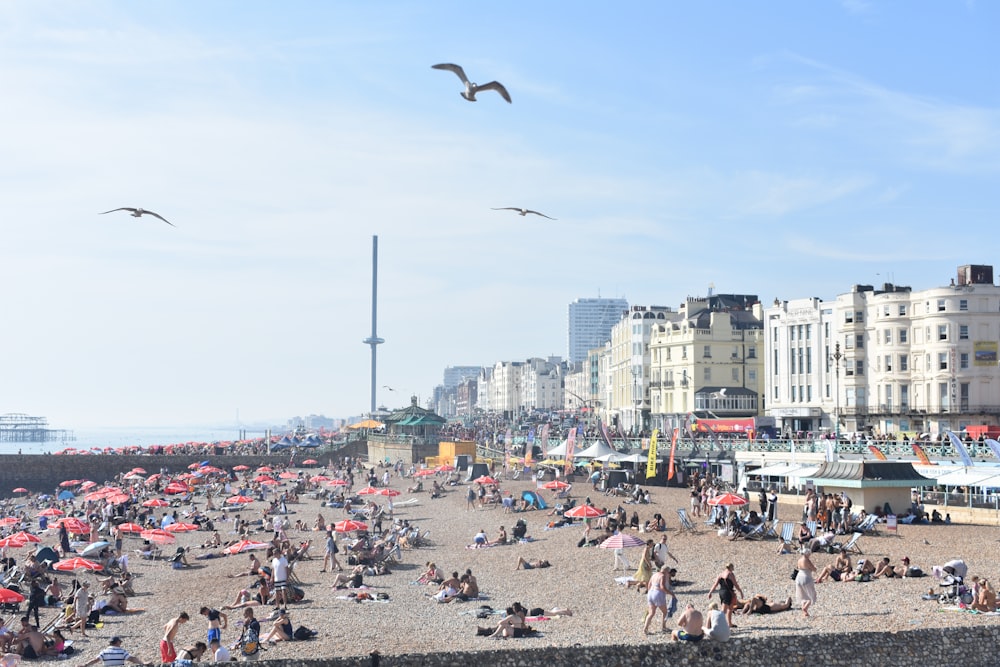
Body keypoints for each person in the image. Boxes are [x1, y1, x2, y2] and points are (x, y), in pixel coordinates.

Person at [707, 563, 743, 629]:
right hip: (728, 592)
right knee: (724, 610)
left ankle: (729, 623)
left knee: (730, 608)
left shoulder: (720, 574)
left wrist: (710, 592)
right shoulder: (730, 574)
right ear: (731, 567)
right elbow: (735, 584)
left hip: (721, 592)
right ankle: (718, 623)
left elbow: (715, 584)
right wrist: (740, 591)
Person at [643, 564, 676, 635]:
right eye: (668, 572)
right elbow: (662, 587)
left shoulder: (654, 574)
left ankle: (645, 629)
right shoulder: (662, 576)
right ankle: (663, 627)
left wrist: (650, 593)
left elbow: (649, 585)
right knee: (665, 612)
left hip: (650, 593)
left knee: (651, 613)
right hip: (658, 594)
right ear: (666, 571)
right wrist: (670, 593)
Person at [79, 636, 150, 667]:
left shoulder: (104, 652)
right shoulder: (122, 651)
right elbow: (131, 659)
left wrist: (86, 665)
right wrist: (143, 663)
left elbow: (96, 660)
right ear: (117, 642)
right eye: (120, 642)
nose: (120, 644)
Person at [795, 551, 818, 618]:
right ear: (807, 553)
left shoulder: (799, 560)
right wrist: (815, 567)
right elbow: (814, 569)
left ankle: (805, 612)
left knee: (802, 595)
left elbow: (798, 567)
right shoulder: (807, 560)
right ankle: (805, 608)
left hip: (798, 577)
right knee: (812, 595)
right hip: (806, 578)